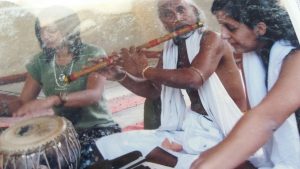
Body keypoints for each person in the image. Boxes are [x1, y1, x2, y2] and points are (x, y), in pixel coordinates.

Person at [96, 0, 248, 168]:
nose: (176, 17)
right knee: (112, 144)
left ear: (195, 13)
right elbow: (155, 91)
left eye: (181, 10)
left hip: (228, 127)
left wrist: (144, 70)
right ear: (162, 23)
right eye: (167, 14)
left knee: (156, 153)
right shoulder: (171, 48)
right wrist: (120, 76)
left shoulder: (211, 38)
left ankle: (192, 161)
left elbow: (194, 79)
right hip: (194, 127)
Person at [191, 0, 300, 168]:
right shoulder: (255, 55)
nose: (224, 35)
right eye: (221, 26)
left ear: (260, 28)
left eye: (231, 27)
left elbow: (267, 118)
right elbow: (254, 113)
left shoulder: (295, 56)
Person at [13, 6, 121, 169]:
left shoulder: (92, 54)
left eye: (51, 30)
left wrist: (52, 100)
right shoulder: (40, 61)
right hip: (61, 134)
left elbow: (93, 95)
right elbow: (24, 102)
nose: (44, 36)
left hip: (97, 128)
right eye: (40, 31)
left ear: (68, 29)